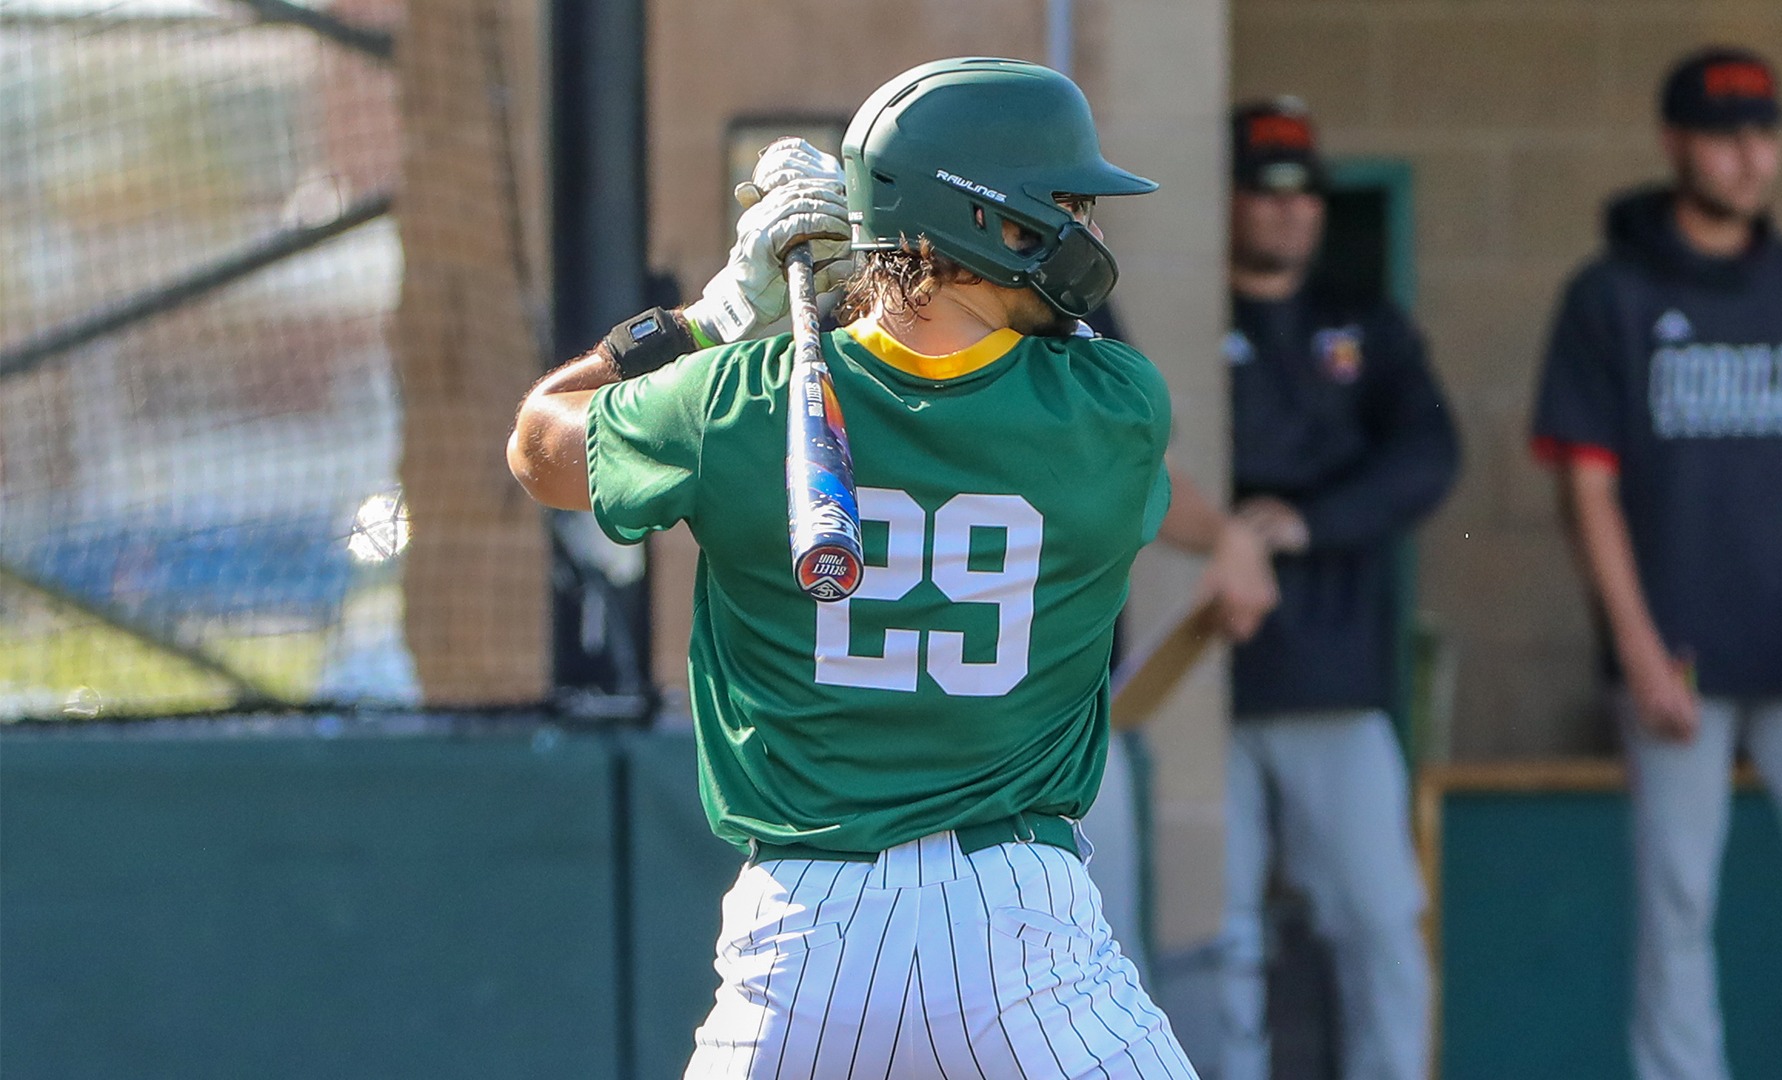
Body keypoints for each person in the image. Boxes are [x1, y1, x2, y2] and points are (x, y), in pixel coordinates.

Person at [509, 57, 1265, 1078]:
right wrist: (865, 276)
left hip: (801, 938)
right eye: (1064, 205)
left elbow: (537, 442)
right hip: (1023, 936)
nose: (1083, 233)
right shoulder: (1116, 405)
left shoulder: (734, 400)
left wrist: (714, 319)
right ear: (985, 221)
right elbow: (1021, 361)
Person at [1531, 46, 1782, 1080]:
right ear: (1676, 145)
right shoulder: (1608, 295)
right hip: (1681, 666)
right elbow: (1588, 493)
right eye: (1726, 136)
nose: (1750, 159)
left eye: (1763, 136)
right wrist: (1639, 651)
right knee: (1678, 905)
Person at [1210, 98, 1458, 1080]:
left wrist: (1308, 517)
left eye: (1304, 192)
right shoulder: (1192, 312)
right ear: (1226, 198)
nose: (1286, 211)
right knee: (1218, 936)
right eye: (1264, 191)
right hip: (1204, 679)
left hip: (1335, 673)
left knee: (1382, 926)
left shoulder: (1360, 323)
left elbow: (1431, 457)